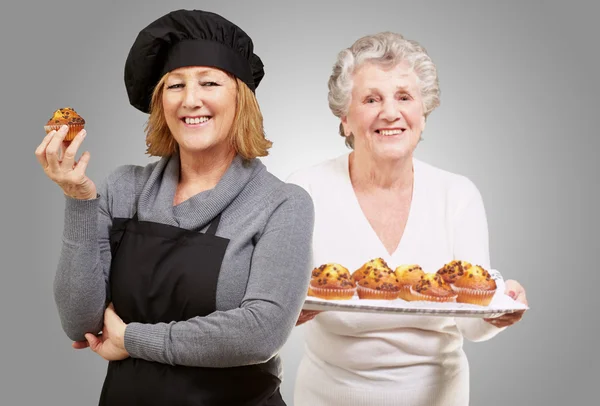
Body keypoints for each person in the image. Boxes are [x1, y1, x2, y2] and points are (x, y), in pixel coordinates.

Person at [34, 9, 314, 406]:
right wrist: (79, 201)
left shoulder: (282, 204)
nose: (190, 100)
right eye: (175, 85)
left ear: (242, 99)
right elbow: (80, 323)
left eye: (209, 82)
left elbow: (259, 333)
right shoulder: (123, 188)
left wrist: (132, 339)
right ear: (160, 101)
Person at [288, 32, 528, 406]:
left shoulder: (457, 195)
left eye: (404, 97)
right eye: (371, 99)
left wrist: (498, 312)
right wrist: (285, 311)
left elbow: (471, 320)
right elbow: (270, 311)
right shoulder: (303, 191)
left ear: (423, 113)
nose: (389, 112)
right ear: (345, 118)